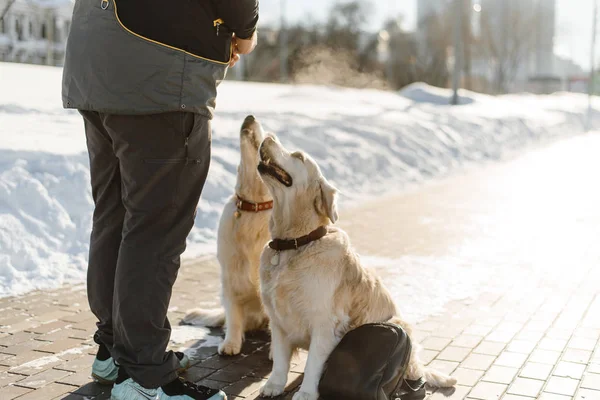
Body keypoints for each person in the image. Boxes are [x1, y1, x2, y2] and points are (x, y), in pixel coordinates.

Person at [62, 1, 259, 399]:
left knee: (116, 216)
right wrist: (244, 32)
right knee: (154, 228)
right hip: (159, 75)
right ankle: (144, 376)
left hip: (96, 58)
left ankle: (116, 352)